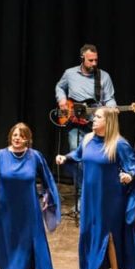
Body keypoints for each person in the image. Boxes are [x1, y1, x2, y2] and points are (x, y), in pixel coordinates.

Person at [55, 107, 135, 269]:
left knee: (109, 236)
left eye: (98, 117)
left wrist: (129, 176)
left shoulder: (118, 144)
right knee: (86, 233)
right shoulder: (87, 140)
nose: (93, 119)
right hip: (90, 197)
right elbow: (77, 155)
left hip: (110, 199)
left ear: (107, 122)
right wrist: (64, 158)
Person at [0, 123, 61, 269]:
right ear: (10, 136)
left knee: (24, 242)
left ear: (28, 139)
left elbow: (47, 179)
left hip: (27, 208)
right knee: (7, 241)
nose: (17, 138)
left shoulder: (35, 156)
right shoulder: (0, 156)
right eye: (15, 135)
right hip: (4, 209)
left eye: (22, 136)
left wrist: (48, 194)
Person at [55, 44, 117, 194]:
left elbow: (110, 99)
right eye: (90, 60)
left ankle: (97, 192)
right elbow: (59, 87)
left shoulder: (104, 76)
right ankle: (82, 194)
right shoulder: (70, 73)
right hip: (74, 123)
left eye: (96, 60)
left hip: (96, 124)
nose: (94, 63)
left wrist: (112, 108)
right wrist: (62, 99)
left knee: (98, 158)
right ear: (82, 58)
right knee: (76, 157)